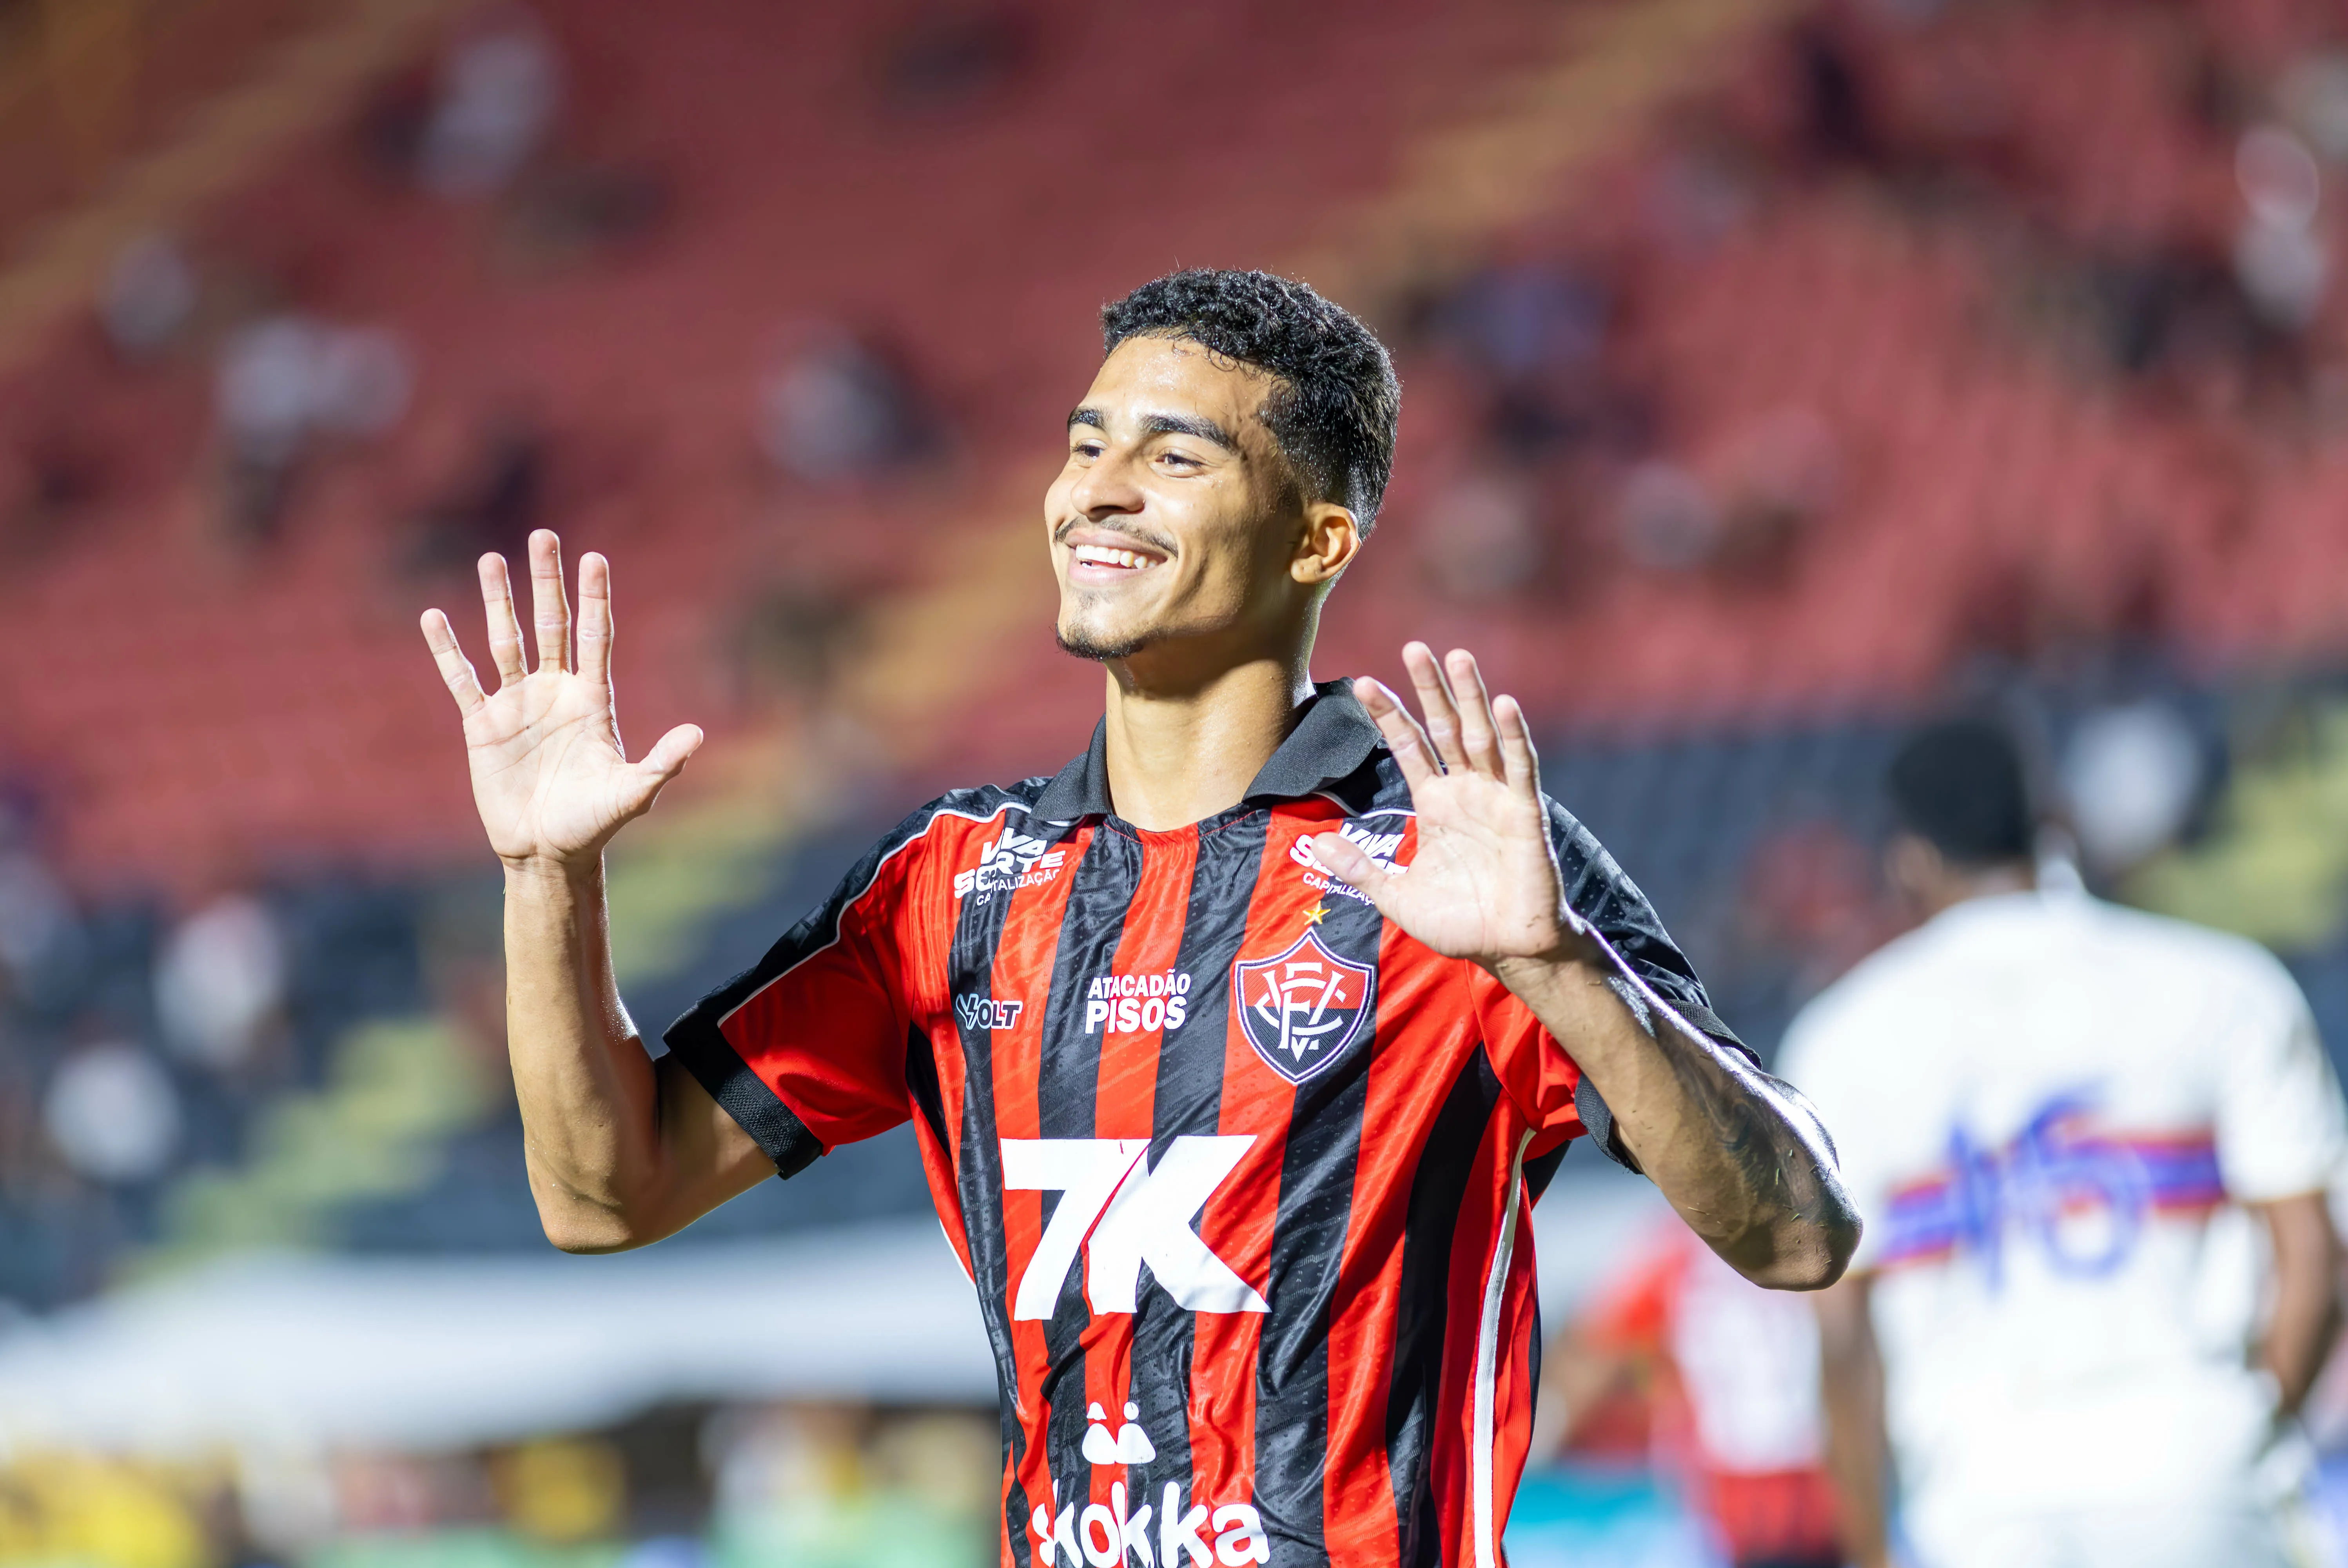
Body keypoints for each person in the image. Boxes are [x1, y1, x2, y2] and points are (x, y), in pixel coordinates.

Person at [419, 269, 1858, 1567]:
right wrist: (548, 880)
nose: (1098, 489)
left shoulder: (1457, 870)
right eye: (1085, 441)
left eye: (1173, 455)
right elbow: (604, 1194)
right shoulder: (952, 882)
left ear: (1317, 537)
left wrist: (1556, 964)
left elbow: (1798, 1234)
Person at [1779, 718, 2348, 1568]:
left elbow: (1843, 1342)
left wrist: (1870, 1548)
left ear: (1911, 858)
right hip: (2198, 1468)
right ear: (2052, 821)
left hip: (1983, 1499)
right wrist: (2250, 1434)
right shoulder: (2225, 983)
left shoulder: (1841, 1037)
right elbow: (2313, 1256)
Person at [1540, 1216, 1843, 1568]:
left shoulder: (1679, 1249)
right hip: (1794, 1487)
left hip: (1749, 1494)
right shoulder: (1817, 1231)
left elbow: (1596, 1350)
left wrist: (1546, 1435)